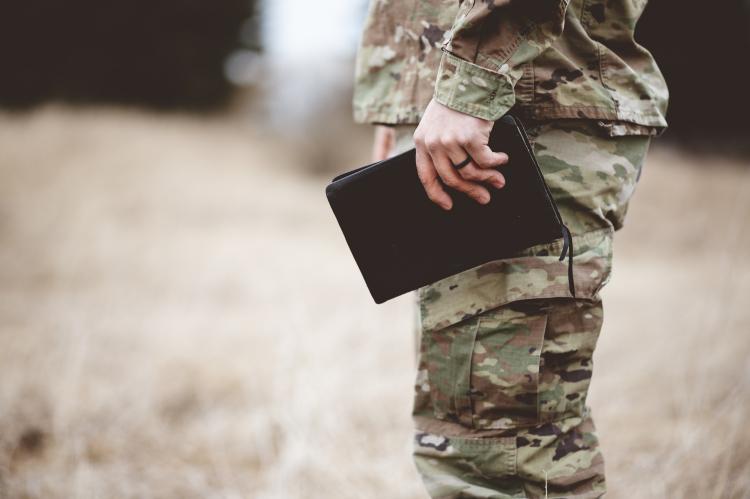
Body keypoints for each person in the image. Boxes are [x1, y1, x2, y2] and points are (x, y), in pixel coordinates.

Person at [353, 0, 668, 497]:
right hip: (487, 107)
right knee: (468, 435)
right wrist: (407, 93)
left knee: (504, 454)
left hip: (520, 110)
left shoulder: (480, 89)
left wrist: (467, 87)